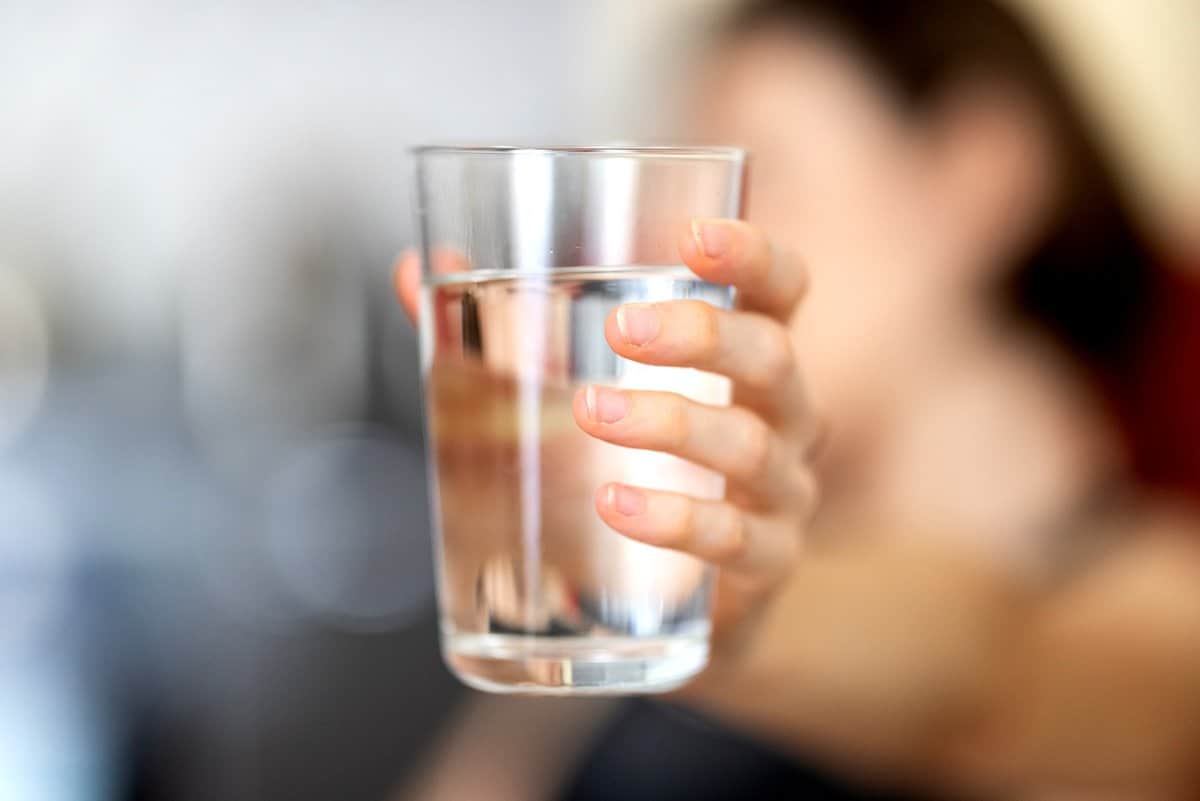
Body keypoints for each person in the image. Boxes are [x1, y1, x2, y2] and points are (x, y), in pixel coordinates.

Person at [392, 0, 1200, 797]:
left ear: (981, 170)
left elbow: (993, 681)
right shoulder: (641, 566)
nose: (673, 245)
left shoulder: (1153, 599)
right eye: (671, 195)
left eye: (759, 174)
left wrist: (729, 621)